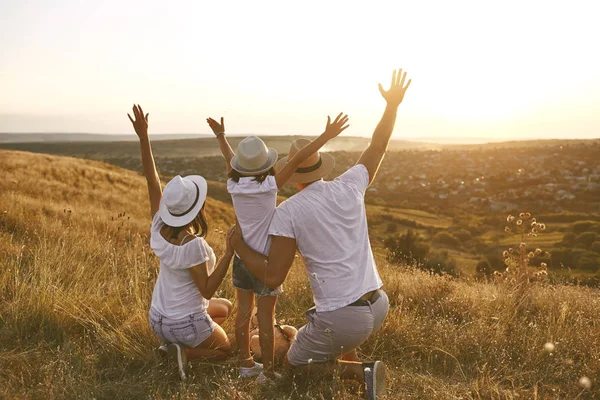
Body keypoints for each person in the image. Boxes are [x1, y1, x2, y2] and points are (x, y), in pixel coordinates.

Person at [230, 69, 411, 400]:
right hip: (378, 304)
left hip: (345, 316)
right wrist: (392, 105)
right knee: (332, 336)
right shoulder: (350, 184)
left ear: (293, 174)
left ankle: (363, 372)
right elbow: (378, 145)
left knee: (295, 366)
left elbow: (273, 276)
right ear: (321, 168)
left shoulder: (289, 212)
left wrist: (239, 245)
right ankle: (357, 382)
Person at [205, 113, 349, 382]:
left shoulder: (233, 185)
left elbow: (228, 159)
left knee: (243, 316)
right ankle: (268, 373)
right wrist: (326, 136)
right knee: (266, 320)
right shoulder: (269, 186)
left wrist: (220, 136)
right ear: (265, 164)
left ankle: (246, 365)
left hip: (240, 259)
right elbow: (296, 159)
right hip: (265, 263)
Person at [127, 104, 234, 381]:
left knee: (226, 308)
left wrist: (144, 137)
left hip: (158, 319)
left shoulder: (158, 225)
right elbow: (207, 290)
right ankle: (182, 354)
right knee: (226, 350)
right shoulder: (193, 246)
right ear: (195, 209)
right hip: (183, 324)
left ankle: (172, 344)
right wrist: (229, 253)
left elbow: (152, 180)